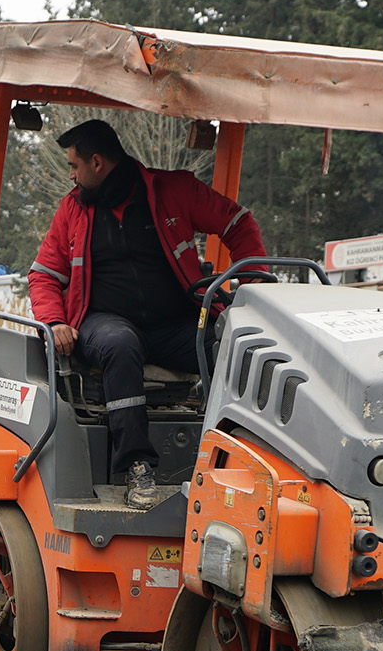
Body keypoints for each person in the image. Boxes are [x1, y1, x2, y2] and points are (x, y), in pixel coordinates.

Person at [29, 118, 266, 508]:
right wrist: (55, 321)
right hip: (102, 323)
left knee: (231, 346)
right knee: (121, 344)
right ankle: (138, 467)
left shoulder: (173, 190)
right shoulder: (71, 210)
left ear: (98, 163)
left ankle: (236, 462)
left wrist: (253, 286)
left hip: (173, 325)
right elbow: (43, 276)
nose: (71, 176)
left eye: (74, 166)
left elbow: (238, 223)